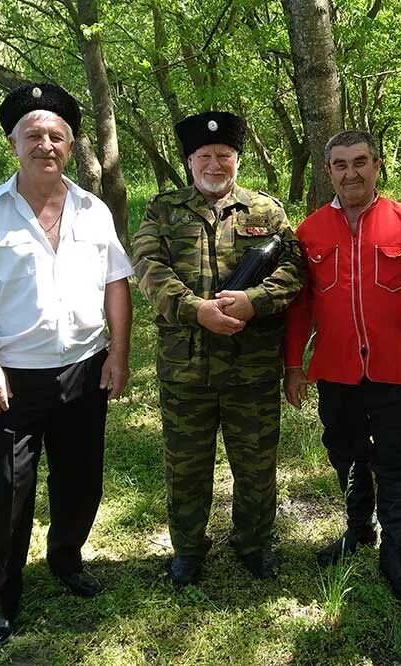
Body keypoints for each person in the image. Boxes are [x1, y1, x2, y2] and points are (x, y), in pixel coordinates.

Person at [0, 82, 133, 649]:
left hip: (85, 365)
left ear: (72, 147)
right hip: (15, 376)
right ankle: (1, 596)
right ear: (13, 144)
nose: (45, 144)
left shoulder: (93, 210)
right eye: (33, 135)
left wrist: (120, 355)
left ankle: (66, 559)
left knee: (81, 479)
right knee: (9, 487)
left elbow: (116, 285)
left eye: (56, 136)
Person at [133, 111, 305, 586]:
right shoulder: (163, 211)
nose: (215, 164)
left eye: (224, 156)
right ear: (189, 161)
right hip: (186, 368)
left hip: (251, 367)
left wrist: (255, 300)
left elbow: (294, 270)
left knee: (256, 464)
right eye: (204, 156)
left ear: (237, 160)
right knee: (186, 467)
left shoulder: (266, 212)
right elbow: (148, 267)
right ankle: (188, 548)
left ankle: (253, 543)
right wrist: (195, 309)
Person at [284, 130, 401, 602]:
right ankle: (359, 528)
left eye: (360, 162)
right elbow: (300, 308)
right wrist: (293, 365)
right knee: (345, 451)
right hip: (336, 371)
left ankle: (393, 549)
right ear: (328, 171)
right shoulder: (311, 230)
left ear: (377, 166)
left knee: (397, 461)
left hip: (396, 370)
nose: (350, 172)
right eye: (340, 164)